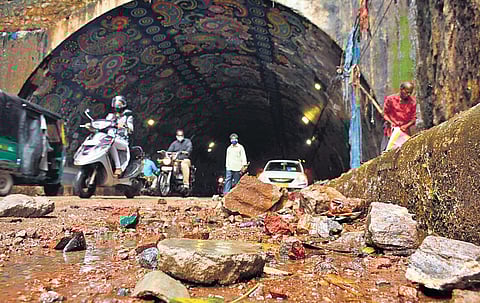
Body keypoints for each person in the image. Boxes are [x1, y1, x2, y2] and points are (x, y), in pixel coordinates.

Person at [381, 81, 417, 151]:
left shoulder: (412, 102)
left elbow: (414, 118)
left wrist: (406, 126)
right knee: (387, 150)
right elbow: (385, 114)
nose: (408, 94)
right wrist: (391, 122)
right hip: (391, 130)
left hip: (404, 131)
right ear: (401, 89)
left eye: (410, 92)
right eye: (406, 92)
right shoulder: (390, 99)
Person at [105, 95, 134, 177]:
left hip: (121, 141)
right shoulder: (110, 116)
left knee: (111, 143)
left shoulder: (127, 116)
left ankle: (118, 168)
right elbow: (104, 123)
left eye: (119, 104)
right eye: (116, 103)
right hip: (108, 138)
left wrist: (125, 125)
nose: (117, 105)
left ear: (123, 105)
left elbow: (131, 129)